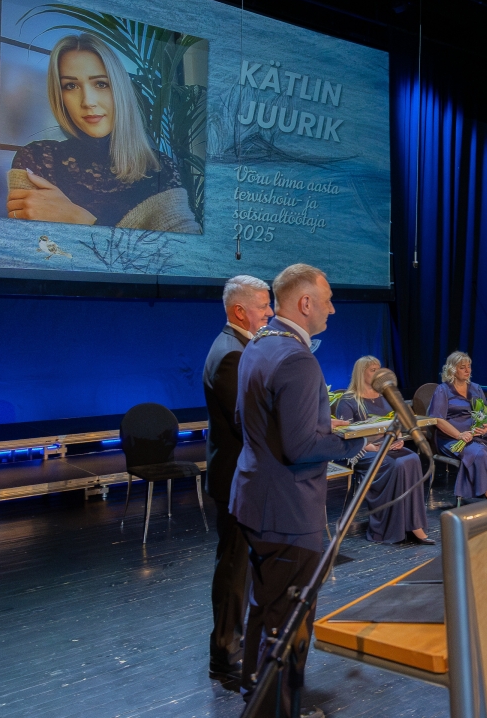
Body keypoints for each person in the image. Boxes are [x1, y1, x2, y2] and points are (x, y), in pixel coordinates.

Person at [229, 263, 359, 715]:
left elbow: (248, 420)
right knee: (289, 623)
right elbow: (302, 447)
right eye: (327, 301)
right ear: (305, 303)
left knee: (265, 611)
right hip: (288, 510)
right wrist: (355, 440)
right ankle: (280, 709)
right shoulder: (298, 358)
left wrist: (319, 424)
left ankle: (258, 697)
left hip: (254, 500)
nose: (332, 309)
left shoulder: (258, 344)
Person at [7, 32, 201, 233]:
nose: (88, 101)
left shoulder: (161, 168)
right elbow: (26, 245)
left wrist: (80, 220)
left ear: (119, 89)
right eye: (71, 86)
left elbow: (182, 250)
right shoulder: (37, 159)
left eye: (101, 84)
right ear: (59, 95)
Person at [202, 275, 274, 684]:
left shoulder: (239, 347)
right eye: (263, 306)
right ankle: (226, 656)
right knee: (233, 569)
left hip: (240, 478)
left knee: (241, 568)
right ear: (240, 311)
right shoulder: (231, 354)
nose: (270, 313)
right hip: (234, 480)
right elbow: (248, 423)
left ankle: (238, 647)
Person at [334, 356, 432, 544]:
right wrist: (371, 446)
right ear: (361, 372)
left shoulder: (385, 397)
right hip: (364, 452)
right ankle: (389, 529)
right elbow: (345, 436)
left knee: (412, 458)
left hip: (388, 447)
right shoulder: (348, 401)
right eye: (373, 370)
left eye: (379, 369)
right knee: (397, 464)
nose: (378, 373)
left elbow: (396, 425)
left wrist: (399, 439)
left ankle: (415, 524)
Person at [428, 351, 487, 500]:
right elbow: (438, 419)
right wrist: (459, 435)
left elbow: (486, 415)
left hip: (479, 436)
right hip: (452, 438)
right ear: (452, 370)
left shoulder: (476, 388)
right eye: (462, 367)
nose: (467, 370)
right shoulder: (443, 390)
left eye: (469, 366)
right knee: (480, 454)